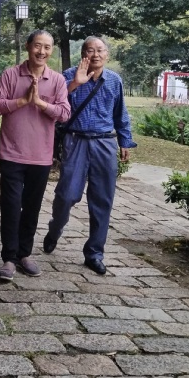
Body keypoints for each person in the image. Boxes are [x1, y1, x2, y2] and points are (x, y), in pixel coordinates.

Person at [43, 36, 136, 275]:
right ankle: (55, 229)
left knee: (102, 199)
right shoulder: (68, 75)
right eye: (90, 50)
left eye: (100, 50)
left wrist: (125, 140)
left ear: (107, 54)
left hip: (105, 143)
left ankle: (94, 253)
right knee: (67, 195)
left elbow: (120, 113)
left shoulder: (114, 80)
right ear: (83, 53)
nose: (95, 55)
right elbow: (54, 104)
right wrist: (75, 82)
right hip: (76, 141)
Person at [0, 30, 71, 281]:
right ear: (28, 46)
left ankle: (24, 254)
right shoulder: (11, 75)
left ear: (51, 51)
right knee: (11, 206)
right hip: (12, 154)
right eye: (37, 46)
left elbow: (65, 113)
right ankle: (9, 258)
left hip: (41, 157)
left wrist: (40, 103)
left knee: (32, 208)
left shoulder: (57, 80)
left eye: (47, 47)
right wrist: (23, 101)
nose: (41, 51)